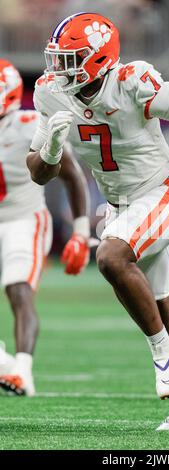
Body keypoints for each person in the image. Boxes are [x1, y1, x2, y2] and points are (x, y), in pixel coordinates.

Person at [26, 12, 169, 430]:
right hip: (122, 205)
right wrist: (49, 151)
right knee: (156, 305)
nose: (59, 69)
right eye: (58, 59)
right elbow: (37, 172)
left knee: (111, 257)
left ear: (100, 59)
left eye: (72, 59)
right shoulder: (52, 93)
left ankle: (163, 357)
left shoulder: (133, 82)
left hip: (164, 190)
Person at [0, 58, 90, 396]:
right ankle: (6, 365)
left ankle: (22, 369)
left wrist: (81, 232)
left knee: (18, 290)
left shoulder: (27, 124)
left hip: (24, 219)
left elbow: (72, 175)